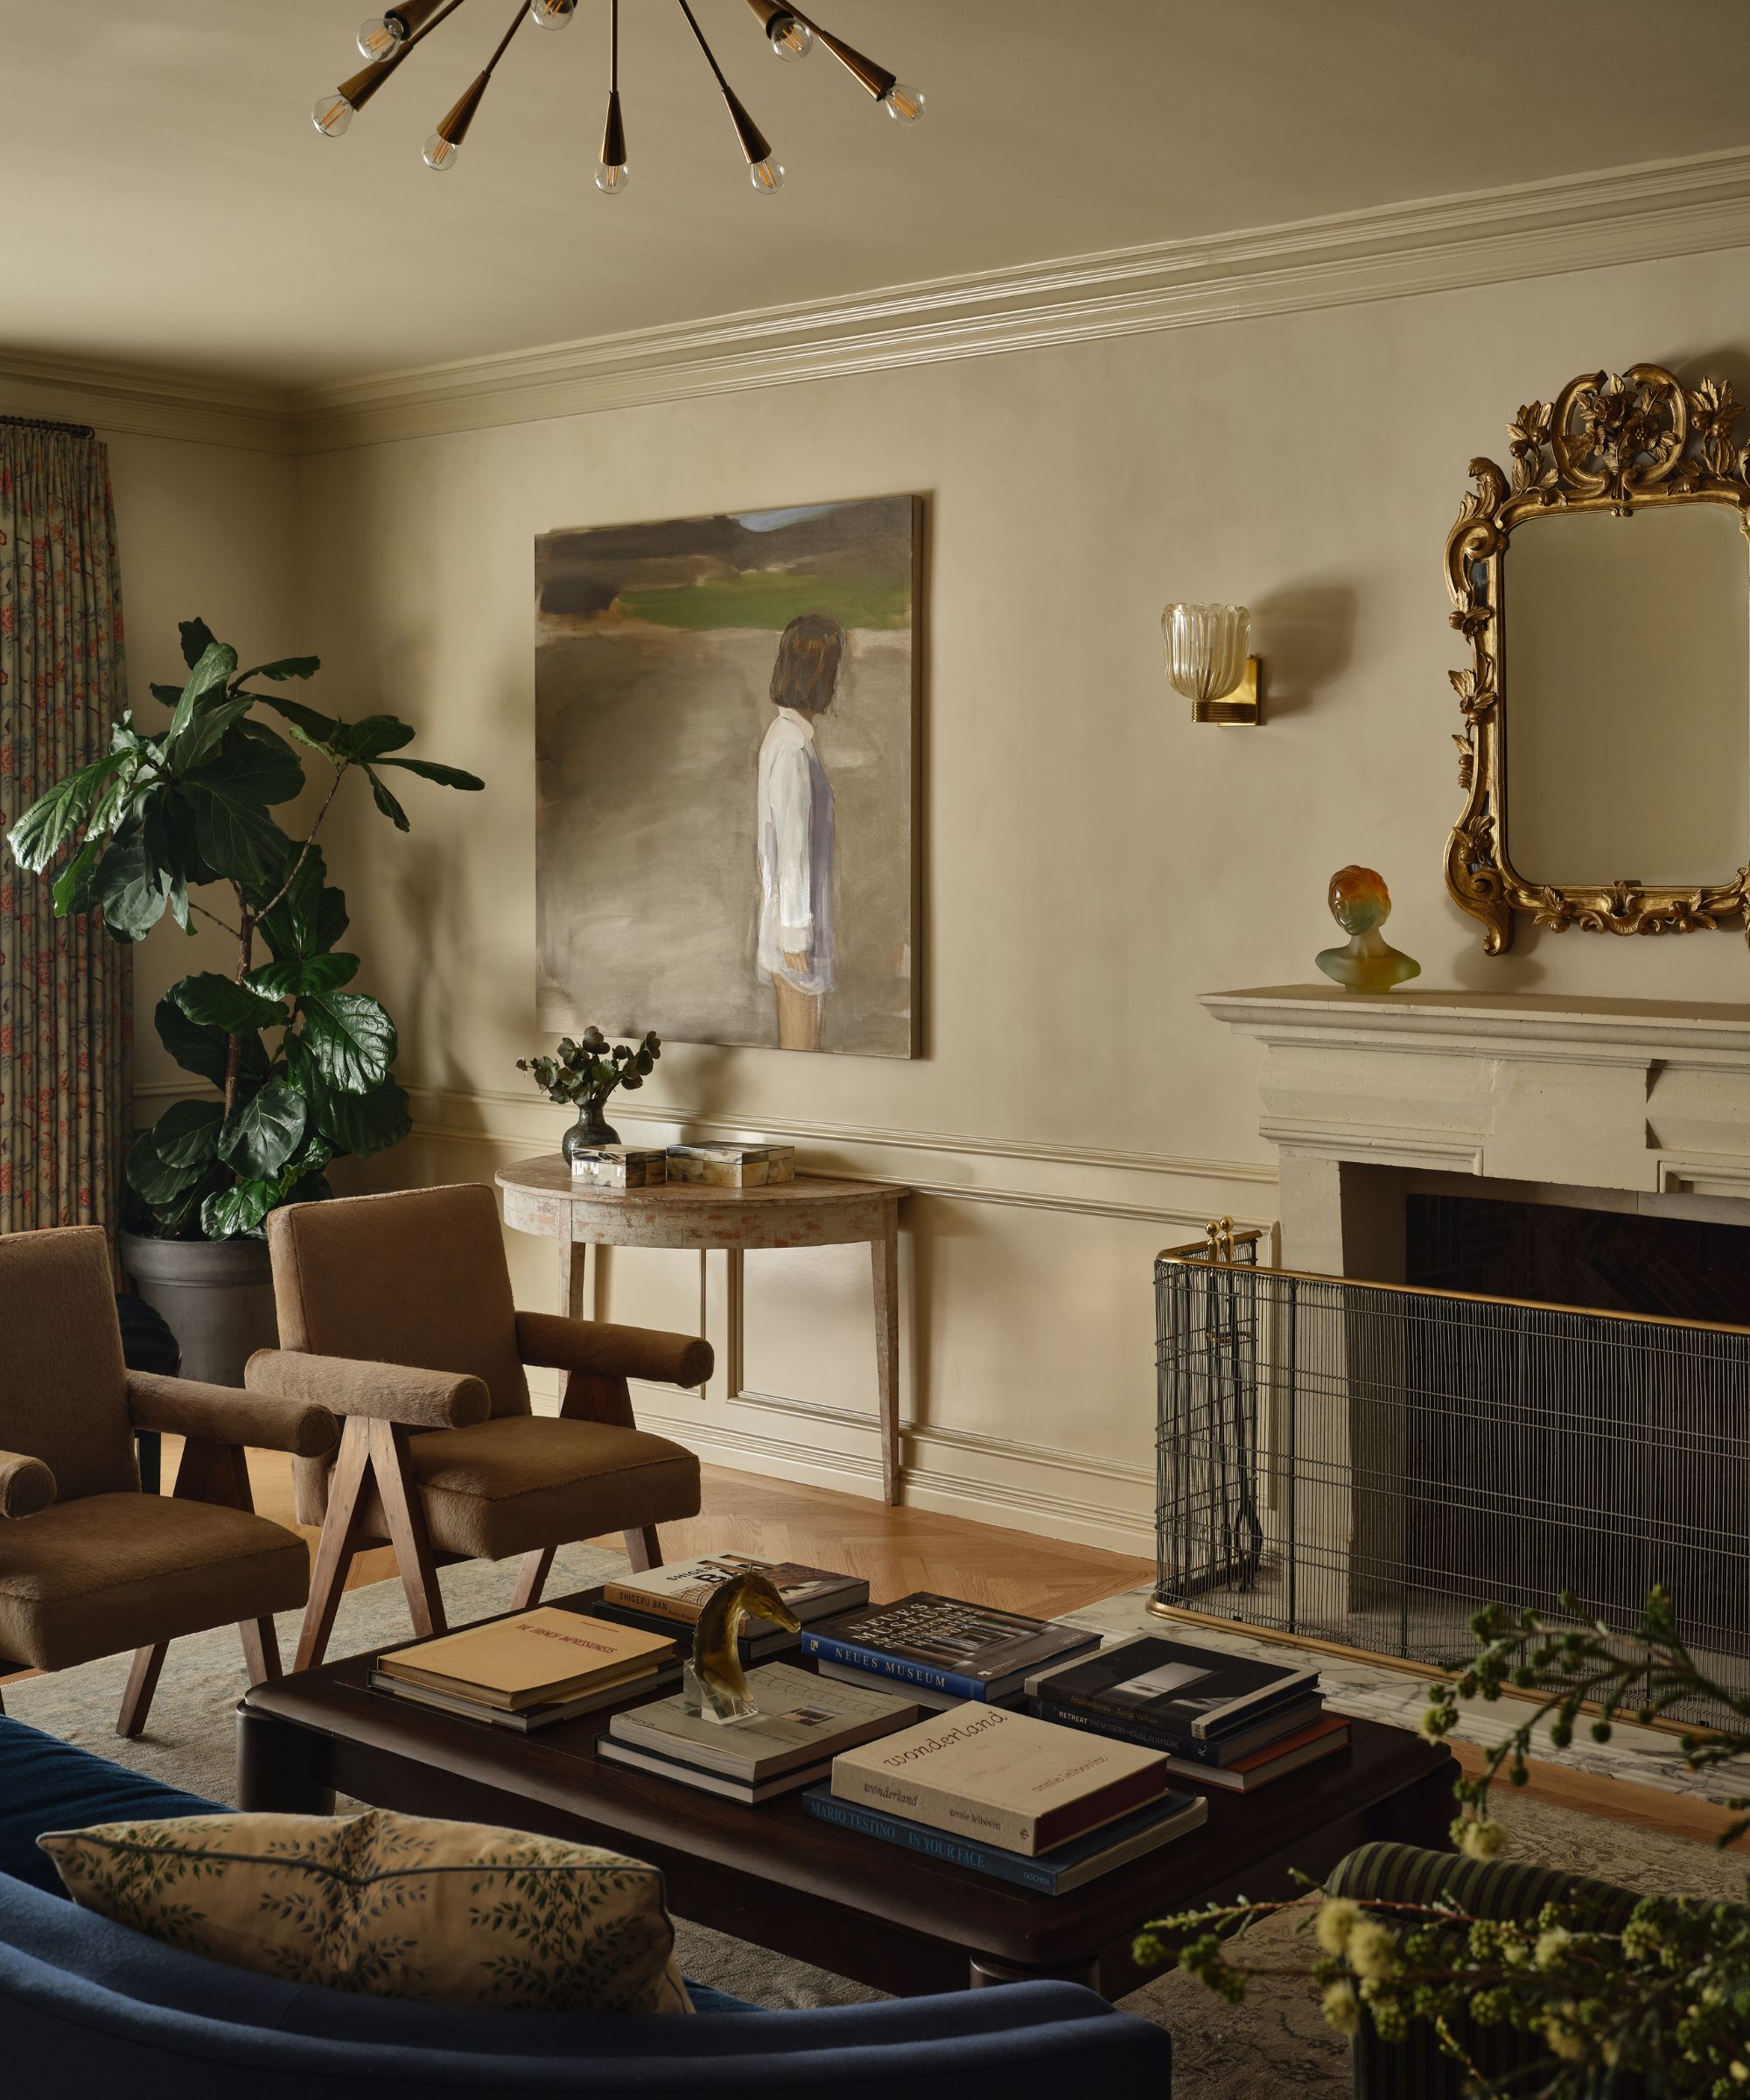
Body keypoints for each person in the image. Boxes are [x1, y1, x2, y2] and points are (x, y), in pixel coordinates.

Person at [756, 612, 844, 1052]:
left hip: (796, 928)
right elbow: (790, 849)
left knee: (801, 1050)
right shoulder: (791, 747)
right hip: (796, 935)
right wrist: (795, 935)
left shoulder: (786, 735)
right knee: (801, 1051)